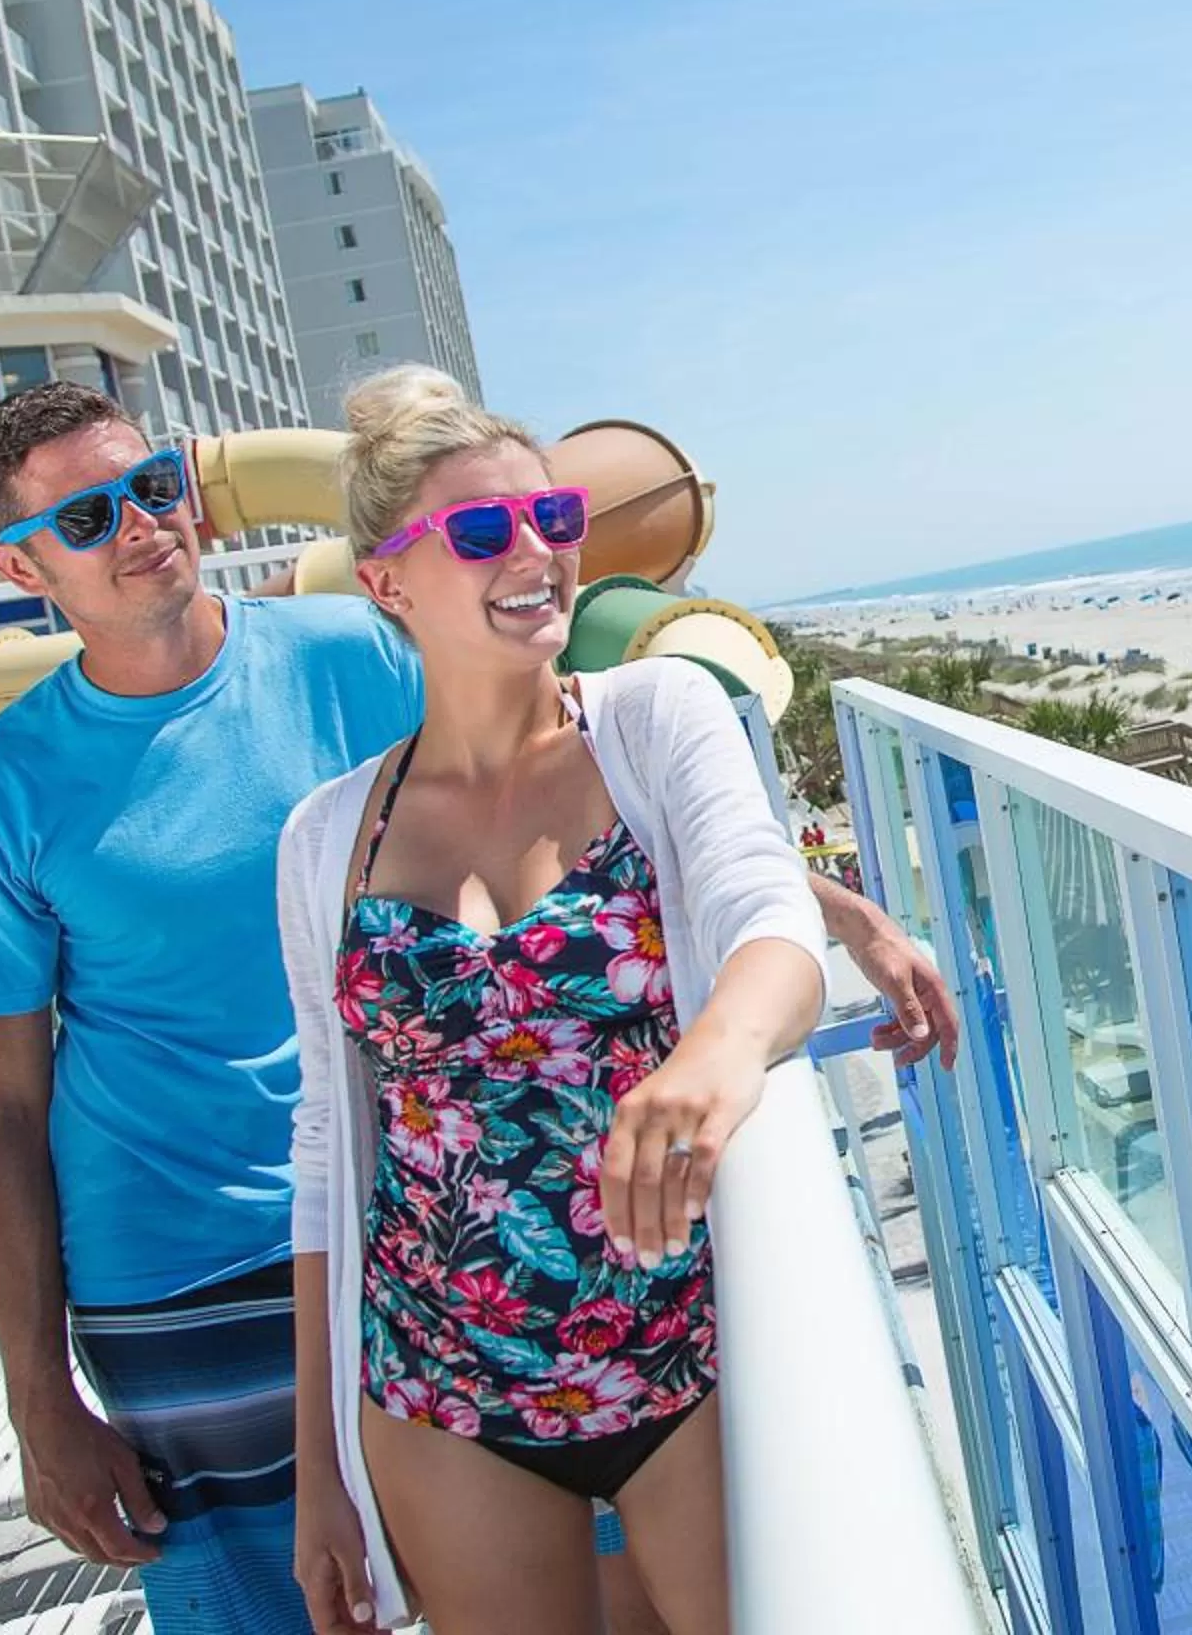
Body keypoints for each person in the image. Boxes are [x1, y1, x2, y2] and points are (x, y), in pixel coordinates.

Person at [0, 382, 952, 1635]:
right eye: (90, 516)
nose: (143, 524)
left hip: (523, 1269)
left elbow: (572, 788)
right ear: (17, 562)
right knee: (276, 1610)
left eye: (153, 487)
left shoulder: (350, 654)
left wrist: (821, 911)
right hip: (194, 1269)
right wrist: (40, 1398)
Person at [280, 370, 820, 1635]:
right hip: (441, 1385)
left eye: (554, 519)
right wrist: (320, 1466)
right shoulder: (322, 840)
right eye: (481, 533)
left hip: (687, 1344)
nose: (536, 553)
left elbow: (769, 918)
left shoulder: (655, 714)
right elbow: (323, 1144)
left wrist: (717, 1052)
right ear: (387, 582)